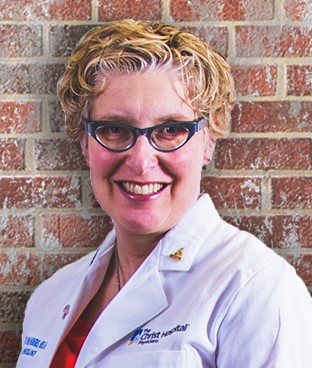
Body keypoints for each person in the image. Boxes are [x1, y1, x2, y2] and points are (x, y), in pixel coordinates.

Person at [17, 19, 312, 368]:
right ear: (84, 142)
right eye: (113, 129)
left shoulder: (256, 289)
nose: (141, 161)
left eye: (171, 130)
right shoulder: (50, 297)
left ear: (209, 140)